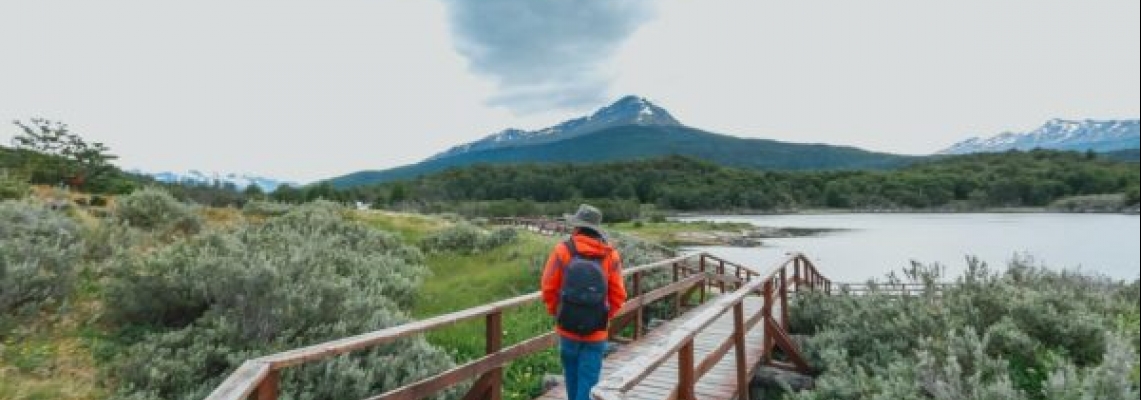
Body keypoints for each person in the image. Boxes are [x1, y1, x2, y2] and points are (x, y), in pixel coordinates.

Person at [541, 204, 626, 400]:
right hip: (596, 332)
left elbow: (548, 288)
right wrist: (602, 316)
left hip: (567, 328)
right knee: (589, 384)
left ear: (576, 226)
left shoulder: (562, 250)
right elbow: (619, 295)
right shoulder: (610, 254)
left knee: (571, 379)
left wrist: (559, 312)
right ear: (597, 229)